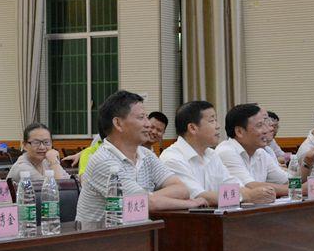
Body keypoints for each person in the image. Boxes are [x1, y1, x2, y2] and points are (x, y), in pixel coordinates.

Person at [77, 91, 203, 222]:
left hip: (137, 230)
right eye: (141, 117)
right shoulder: (103, 160)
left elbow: (182, 190)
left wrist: (148, 198)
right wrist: (191, 203)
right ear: (118, 123)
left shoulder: (147, 155)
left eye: (147, 117)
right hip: (102, 234)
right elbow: (144, 204)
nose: (148, 124)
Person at [160, 101, 274, 205]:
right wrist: (248, 196)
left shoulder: (211, 154)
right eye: (212, 121)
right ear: (192, 128)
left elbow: (233, 185)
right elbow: (199, 197)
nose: (218, 126)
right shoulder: (172, 159)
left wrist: (258, 194)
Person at [216, 104, 289, 197]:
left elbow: (286, 180)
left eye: (265, 124)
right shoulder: (226, 152)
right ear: (239, 132)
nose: (266, 130)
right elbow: (250, 187)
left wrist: (305, 164)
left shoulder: (260, 152)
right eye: (259, 125)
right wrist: (301, 190)